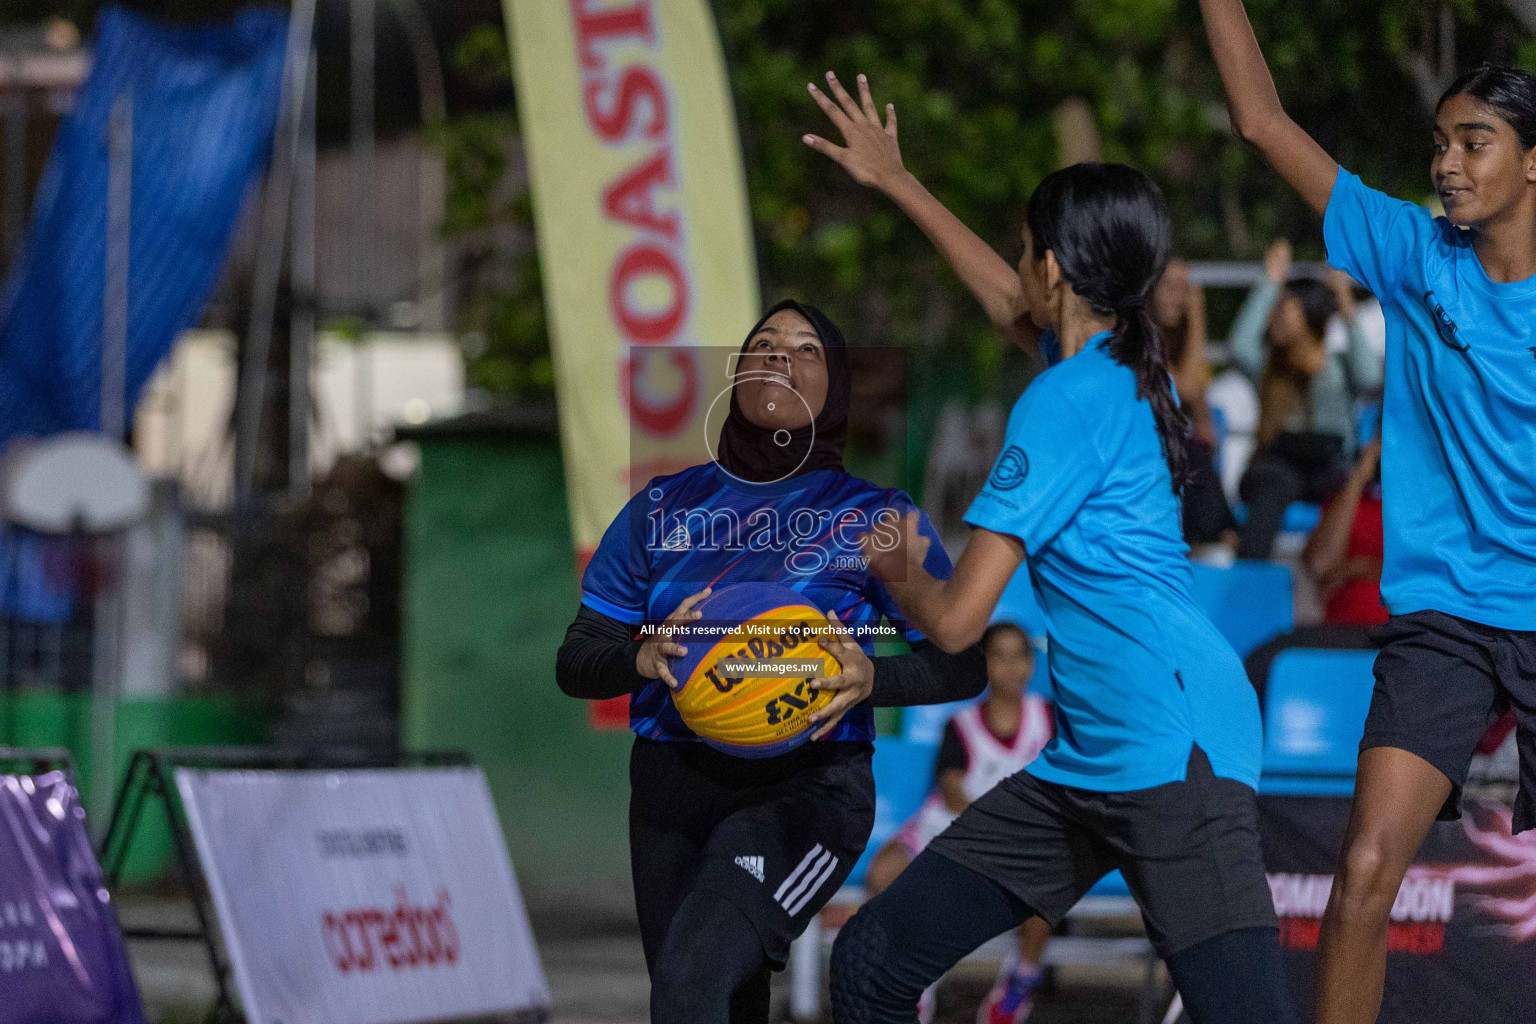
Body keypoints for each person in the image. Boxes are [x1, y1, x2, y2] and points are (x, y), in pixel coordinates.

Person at [803, 72, 1292, 1024]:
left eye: (1026, 249)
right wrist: (898, 182)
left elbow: (953, 621)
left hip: (1173, 749)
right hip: (1093, 760)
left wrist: (891, 554)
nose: (1017, 266)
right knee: (872, 962)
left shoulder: (1066, 402)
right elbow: (1004, 302)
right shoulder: (1117, 367)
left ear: (1057, 268)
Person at [1199, 3, 1536, 1021]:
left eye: (1474, 141)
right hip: (1447, 621)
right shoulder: (1413, 253)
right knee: (1361, 877)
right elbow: (1261, 121)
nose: (1447, 162)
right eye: (1439, 143)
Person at [555, 298, 989, 1024]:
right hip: (670, 786)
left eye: (807, 349)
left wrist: (874, 678)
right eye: (764, 343)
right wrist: (637, 656)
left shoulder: (876, 519)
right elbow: (576, 659)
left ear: (836, 389)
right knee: (711, 995)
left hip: (805, 793)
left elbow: (965, 666)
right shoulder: (662, 508)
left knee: (694, 984)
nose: (781, 355)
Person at [863, 622, 1055, 1024]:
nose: (1011, 666)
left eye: (1020, 655)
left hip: (1018, 844)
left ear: (1032, 663)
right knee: (883, 873)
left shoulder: (1049, 720)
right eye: (999, 656)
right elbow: (952, 793)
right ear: (984, 664)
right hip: (953, 832)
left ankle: (1020, 981)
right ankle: (916, 979)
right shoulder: (962, 723)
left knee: (1049, 892)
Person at [1228, 237, 1383, 559]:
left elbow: (1370, 377)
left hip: (1327, 468)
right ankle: (1250, 578)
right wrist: (1270, 281)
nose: (1275, 319)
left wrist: (1343, 298)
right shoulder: (1270, 367)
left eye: (1285, 310)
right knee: (1276, 482)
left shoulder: (1339, 366)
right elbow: (1240, 346)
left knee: (1354, 491)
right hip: (1276, 466)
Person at [1242, 437, 1385, 703]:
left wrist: (1359, 566)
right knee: (1264, 661)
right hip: (1343, 631)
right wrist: (1358, 477)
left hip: (1396, 632)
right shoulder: (1349, 501)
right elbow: (1321, 563)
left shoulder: (1428, 506)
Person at [1150, 260, 1238, 546]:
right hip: (1146, 448)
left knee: (1196, 451)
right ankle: (1222, 533)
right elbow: (1186, 389)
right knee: (1190, 454)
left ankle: (1219, 534)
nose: (1179, 296)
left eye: (1184, 289)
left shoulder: (1181, 347)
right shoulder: (1139, 342)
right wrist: (1198, 315)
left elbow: (1203, 420)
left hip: (1179, 450)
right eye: (1169, 286)